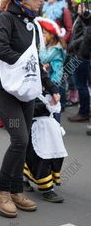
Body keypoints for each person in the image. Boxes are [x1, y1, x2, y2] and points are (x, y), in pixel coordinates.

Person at [0, 0, 60, 218]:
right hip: (6, 91)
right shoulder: (6, 19)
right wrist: (21, 67)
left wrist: (51, 88)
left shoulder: (33, 24)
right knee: (19, 139)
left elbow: (35, 62)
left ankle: (16, 190)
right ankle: (1, 190)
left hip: (27, 91)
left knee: (25, 140)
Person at [23, 18, 68, 202]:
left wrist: (54, 91)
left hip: (46, 115)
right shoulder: (25, 60)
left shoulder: (43, 59)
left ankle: (32, 178)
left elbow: (48, 77)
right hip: (35, 118)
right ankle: (45, 187)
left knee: (54, 148)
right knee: (37, 151)